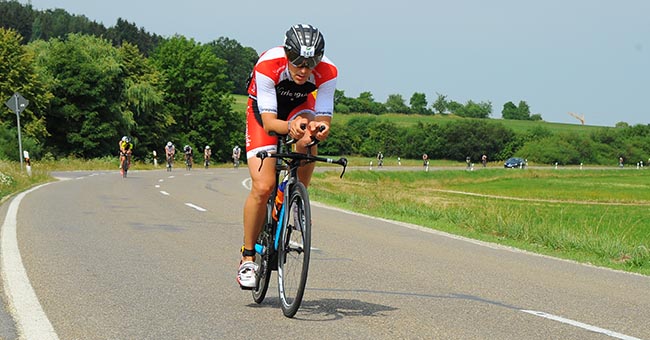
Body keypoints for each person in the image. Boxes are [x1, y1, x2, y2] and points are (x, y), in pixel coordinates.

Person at [237, 23, 337, 289]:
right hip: (264, 113)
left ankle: (295, 196)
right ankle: (248, 257)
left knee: (309, 134)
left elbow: (324, 116)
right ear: (287, 54)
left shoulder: (328, 71)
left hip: (300, 108)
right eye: (298, 63)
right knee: (263, 186)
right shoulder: (268, 64)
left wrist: (320, 128)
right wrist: (289, 127)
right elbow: (270, 123)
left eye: (311, 64)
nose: (304, 71)